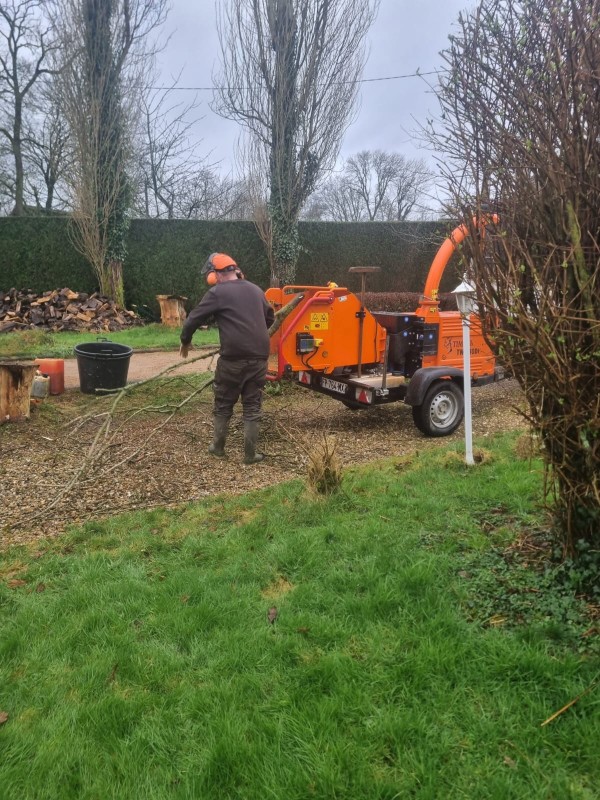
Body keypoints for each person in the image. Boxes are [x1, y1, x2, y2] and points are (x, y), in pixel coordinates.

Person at [179, 252, 275, 464]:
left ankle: (218, 448)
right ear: (235, 271)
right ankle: (250, 455)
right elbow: (270, 318)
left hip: (232, 360)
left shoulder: (218, 292)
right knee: (252, 406)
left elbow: (193, 319)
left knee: (223, 402)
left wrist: (185, 341)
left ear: (217, 274)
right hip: (259, 358)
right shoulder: (256, 289)